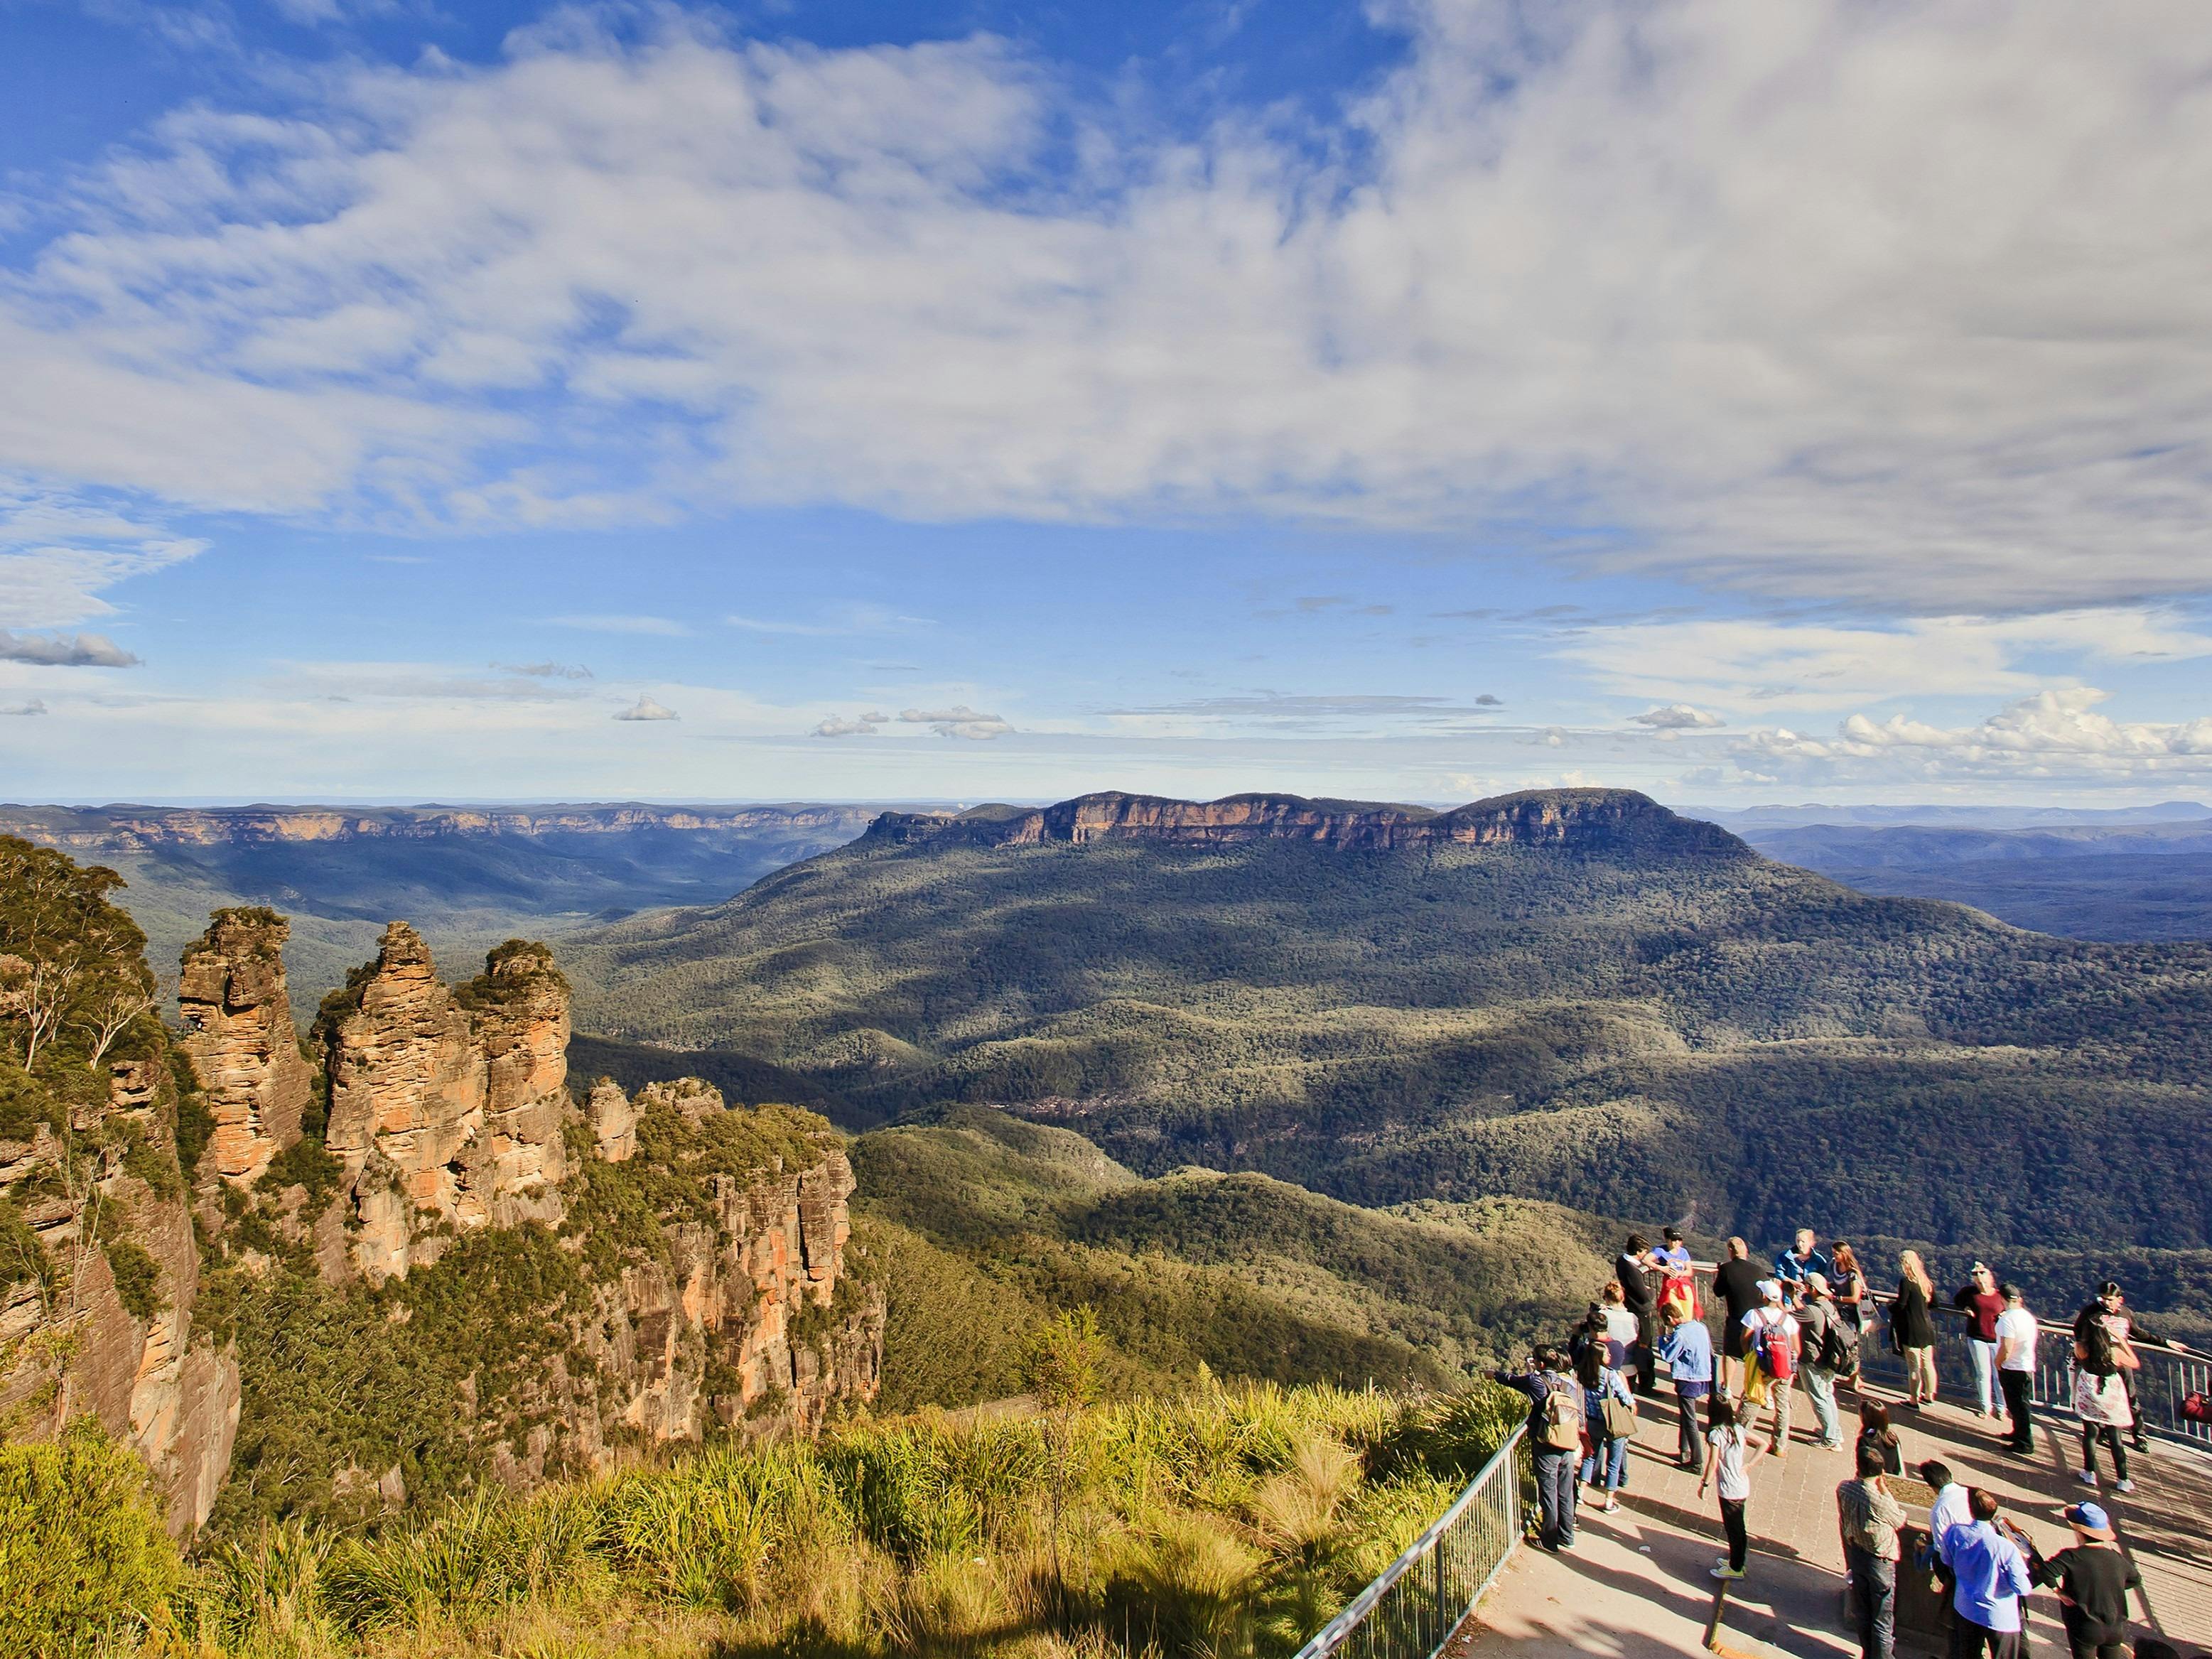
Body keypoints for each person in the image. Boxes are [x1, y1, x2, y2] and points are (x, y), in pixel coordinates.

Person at [1494, 1346, 1585, 1552]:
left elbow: (1511, 1380)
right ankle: (1567, 1535)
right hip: (1567, 1443)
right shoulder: (1568, 1384)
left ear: (1541, 1364)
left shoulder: (1536, 1381)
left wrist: (1494, 1375)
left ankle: (1549, 1540)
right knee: (1566, 1491)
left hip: (1546, 1444)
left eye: (1535, 1360)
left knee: (1548, 1492)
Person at [2076, 1280, 2180, 1455]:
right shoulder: (2090, 1312)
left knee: (2131, 1399)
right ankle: (2102, 1432)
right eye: (2103, 1299)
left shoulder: (2126, 1314)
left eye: (2110, 1299)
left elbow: (2138, 1333)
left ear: (2120, 1300)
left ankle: (2139, 1436)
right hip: (2099, 1364)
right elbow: (2079, 1333)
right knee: (2100, 1397)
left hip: (2121, 1363)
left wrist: (2166, 1343)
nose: (2106, 1303)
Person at [2035, 1502, 2142, 1659]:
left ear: (2079, 1532)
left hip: (2085, 1626)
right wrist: (2113, 1586)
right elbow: (2136, 1579)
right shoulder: (2116, 1558)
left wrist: (2058, 1591)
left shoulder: (2072, 1556)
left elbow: (2046, 1570)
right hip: (2114, 1628)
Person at [1938, 1488, 2034, 1659]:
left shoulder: (1955, 1532)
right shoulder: (2006, 1547)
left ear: (1971, 1510)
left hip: (1966, 1608)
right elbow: (2023, 1588)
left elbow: (1946, 1560)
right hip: (1999, 1616)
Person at [1836, 1444, 1909, 1659]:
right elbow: (1899, 1519)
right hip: (1880, 1561)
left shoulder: (1844, 1488)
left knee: (1864, 1611)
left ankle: (1868, 1653)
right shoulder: (1878, 1500)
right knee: (1882, 1618)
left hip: (1857, 1554)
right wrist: (1884, 1490)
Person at [2070, 1302, 2136, 1493]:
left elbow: (2080, 1358)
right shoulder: (2114, 1353)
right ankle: (2123, 1478)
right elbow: (2134, 1362)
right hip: (2111, 1391)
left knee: (2090, 1434)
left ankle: (2089, 1472)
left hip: (2089, 1387)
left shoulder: (2081, 1347)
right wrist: (2121, 1340)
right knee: (2116, 1438)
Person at [1742, 1279, 1801, 1457]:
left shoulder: (1754, 1314)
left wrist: (1749, 1357)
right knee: (1782, 1405)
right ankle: (1780, 1446)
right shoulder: (1788, 1319)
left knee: (1753, 1398)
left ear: (1764, 1296)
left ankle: (1742, 1434)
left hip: (1762, 1365)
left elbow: (1744, 1338)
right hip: (1784, 1368)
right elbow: (1796, 1348)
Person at [1699, 1393, 1753, 1581]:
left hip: (1729, 1488)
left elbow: (1713, 1463)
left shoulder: (1716, 1434)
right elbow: (1762, 1444)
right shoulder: (1738, 1429)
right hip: (1741, 1484)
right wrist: (1749, 1465)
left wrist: (1704, 1484)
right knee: (1738, 1527)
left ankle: (1736, 1567)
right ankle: (1737, 1561)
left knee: (1734, 1529)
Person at [1577, 1341, 1634, 1512]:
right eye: (1606, 1354)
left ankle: (1580, 1493)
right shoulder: (1610, 1375)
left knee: (1590, 1457)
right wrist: (1632, 1404)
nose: (1610, 1356)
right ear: (1599, 1358)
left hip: (1593, 1421)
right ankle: (1609, 1501)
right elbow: (1625, 1396)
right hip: (1613, 1422)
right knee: (1614, 1463)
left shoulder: (1582, 1375)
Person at [1658, 1299, 1715, 1474]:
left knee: (1690, 1420)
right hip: (1703, 1374)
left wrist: (1662, 1338)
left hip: (1687, 1378)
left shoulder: (1680, 1334)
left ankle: (1697, 1461)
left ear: (1670, 1318)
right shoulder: (1700, 1327)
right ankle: (1684, 1451)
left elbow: (1668, 1355)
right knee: (1686, 1415)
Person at [1796, 1272, 1849, 1451]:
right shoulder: (1829, 1307)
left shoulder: (1812, 1311)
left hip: (1813, 1360)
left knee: (1818, 1398)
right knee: (1827, 1396)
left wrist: (1792, 1296)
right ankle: (1834, 1431)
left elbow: (1789, 1314)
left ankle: (1830, 1438)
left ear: (1811, 1289)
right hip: (1830, 1359)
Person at [1955, 1263, 2007, 1420]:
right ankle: (1986, 1407)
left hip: (1997, 1339)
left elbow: (2013, 1307)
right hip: (1977, 1338)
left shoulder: (2000, 1296)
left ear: (1990, 1277)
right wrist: (1965, 1308)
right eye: (1976, 1276)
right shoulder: (1970, 1293)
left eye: (1982, 1275)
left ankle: (2002, 1407)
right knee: (1983, 1374)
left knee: (1999, 1375)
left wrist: (2005, 1316)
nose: (1979, 1279)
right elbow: (1958, 1300)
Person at [1715, 1237, 1766, 1391]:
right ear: (1746, 1251)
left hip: (1737, 1318)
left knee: (1730, 1353)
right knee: (1758, 1355)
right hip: (1758, 1320)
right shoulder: (1759, 1270)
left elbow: (1718, 1291)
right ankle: (1759, 1390)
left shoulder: (1726, 1269)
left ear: (1730, 1251)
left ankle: (1727, 1387)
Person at [1994, 1283, 2039, 1456]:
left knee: (2018, 1407)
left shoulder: (2008, 1319)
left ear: (2002, 1299)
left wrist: (1999, 1362)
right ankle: (2017, 1433)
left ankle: (2025, 1443)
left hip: (2013, 1368)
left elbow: (2007, 1347)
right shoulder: (2027, 1316)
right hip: (2025, 1365)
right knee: (2018, 1405)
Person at [1894, 1250, 1941, 1409]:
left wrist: (1890, 1308)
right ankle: (1929, 1395)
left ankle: (1914, 1400)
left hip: (1911, 1328)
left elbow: (1901, 1304)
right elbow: (1935, 1303)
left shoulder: (1906, 1282)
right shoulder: (1925, 1282)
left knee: (1914, 1366)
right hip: (1927, 1327)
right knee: (1928, 1363)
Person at [1615, 1234, 1658, 1395]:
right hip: (1641, 1311)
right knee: (1644, 1347)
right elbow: (1645, 1296)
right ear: (1638, 1251)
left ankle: (1639, 1380)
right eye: (1644, 1251)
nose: (1645, 1254)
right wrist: (1651, 1291)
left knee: (1638, 1346)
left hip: (1631, 1308)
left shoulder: (1621, 1261)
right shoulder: (1632, 1270)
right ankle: (1646, 1384)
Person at [1776, 1227, 1833, 1293]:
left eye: (1803, 1241)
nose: (1800, 1244)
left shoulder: (1819, 1260)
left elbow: (1823, 1279)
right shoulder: (1785, 1256)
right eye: (1798, 1241)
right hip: (1790, 1297)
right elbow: (1779, 1273)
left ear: (1810, 1242)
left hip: (1811, 1299)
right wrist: (1794, 1283)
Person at [1857, 1400, 1905, 1476]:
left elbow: (1863, 1467)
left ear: (1865, 1417)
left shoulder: (1865, 1439)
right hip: (1890, 1478)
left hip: (1873, 1480)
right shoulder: (1892, 1437)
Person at [1830, 1241, 1868, 1333]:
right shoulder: (1834, 1265)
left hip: (1849, 1313)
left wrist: (1836, 1298)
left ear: (1844, 1254)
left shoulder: (1853, 1274)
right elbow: (1838, 1283)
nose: (1834, 1255)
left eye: (1836, 1253)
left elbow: (1855, 1298)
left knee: (1848, 1338)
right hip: (1837, 1310)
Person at [1599, 1280, 1639, 1366]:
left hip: (1610, 1364)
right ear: (1623, 1298)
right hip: (1630, 1363)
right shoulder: (1633, 1318)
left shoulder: (1603, 1316)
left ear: (1606, 1298)